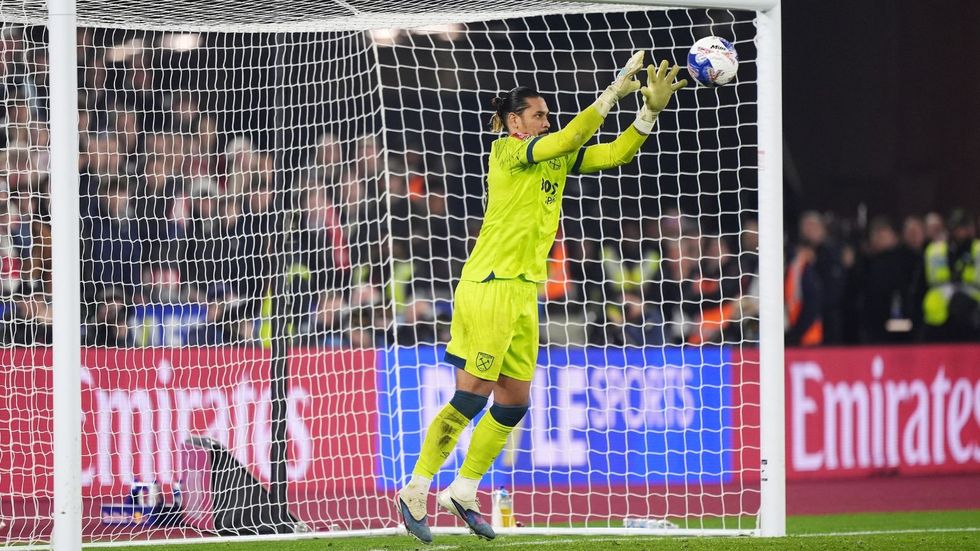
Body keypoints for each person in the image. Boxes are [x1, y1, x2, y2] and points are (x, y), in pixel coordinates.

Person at [395, 51, 687, 543]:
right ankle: (416, 487)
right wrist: (613, 92)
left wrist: (648, 112)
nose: (547, 122)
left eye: (548, 116)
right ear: (515, 122)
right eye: (539, 115)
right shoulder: (507, 152)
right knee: (471, 396)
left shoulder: (554, 156)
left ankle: (463, 490)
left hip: (523, 292)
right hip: (490, 285)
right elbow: (572, 136)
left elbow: (615, 154)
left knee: (514, 402)